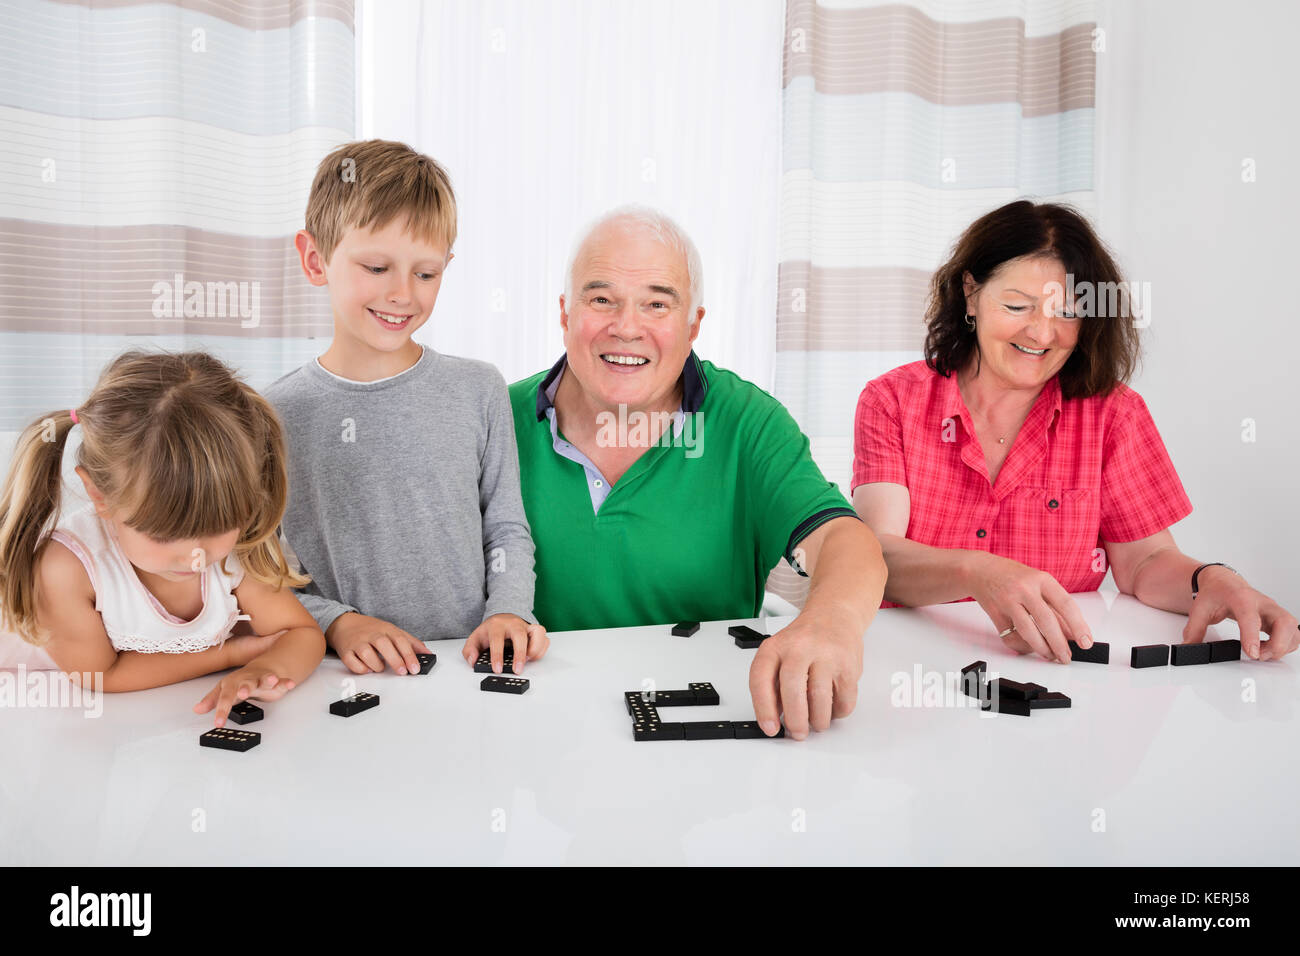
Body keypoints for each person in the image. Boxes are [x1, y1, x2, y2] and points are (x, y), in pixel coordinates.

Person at [852, 200, 1297, 661]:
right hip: (912, 660)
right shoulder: (893, 401)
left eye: (1066, 313)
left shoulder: (1114, 415)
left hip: (1057, 675)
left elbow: (1143, 562)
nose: (1042, 334)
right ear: (971, 293)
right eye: (1016, 305)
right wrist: (977, 571)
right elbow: (878, 557)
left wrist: (1214, 579)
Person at [508, 205, 887, 739]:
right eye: (601, 300)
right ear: (566, 313)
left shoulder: (746, 422)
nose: (626, 327)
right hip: (531, 725)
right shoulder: (494, 421)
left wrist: (831, 622)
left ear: (693, 324)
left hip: (702, 726)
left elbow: (839, 539)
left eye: (656, 304)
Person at [268, 139, 548, 677]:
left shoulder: (478, 389)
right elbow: (262, 570)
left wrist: (508, 609)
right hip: (341, 678)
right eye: (376, 267)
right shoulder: (275, 416)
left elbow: (507, 527)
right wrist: (336, 621)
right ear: (313, 258)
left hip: (470, 669)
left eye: (426, 274)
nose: (403, 294)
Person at [0, 351, 326, 724]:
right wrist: (231, 655)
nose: (195, 555)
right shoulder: (65, 568)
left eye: (218, 525)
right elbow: (100, 675)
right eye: (164, 534)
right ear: (99, 496)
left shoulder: (237, 550)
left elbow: (299, 633)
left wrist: (268, 667)